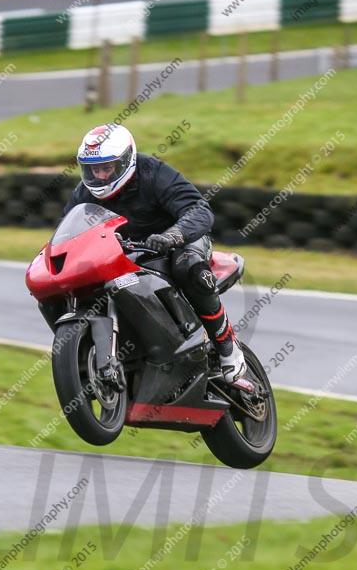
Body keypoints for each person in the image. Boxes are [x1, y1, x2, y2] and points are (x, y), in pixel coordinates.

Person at [62, 123, 254, 389]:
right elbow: (69, 232)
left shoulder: (153, 172)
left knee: (189, 267)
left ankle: (227, 347)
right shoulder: (84, 193)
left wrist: (171, 236)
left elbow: (199, 210)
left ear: (126, 160)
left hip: (179, 241)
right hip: (125, 253)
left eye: (107, 168)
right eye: (93, 169)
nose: (101, 176)